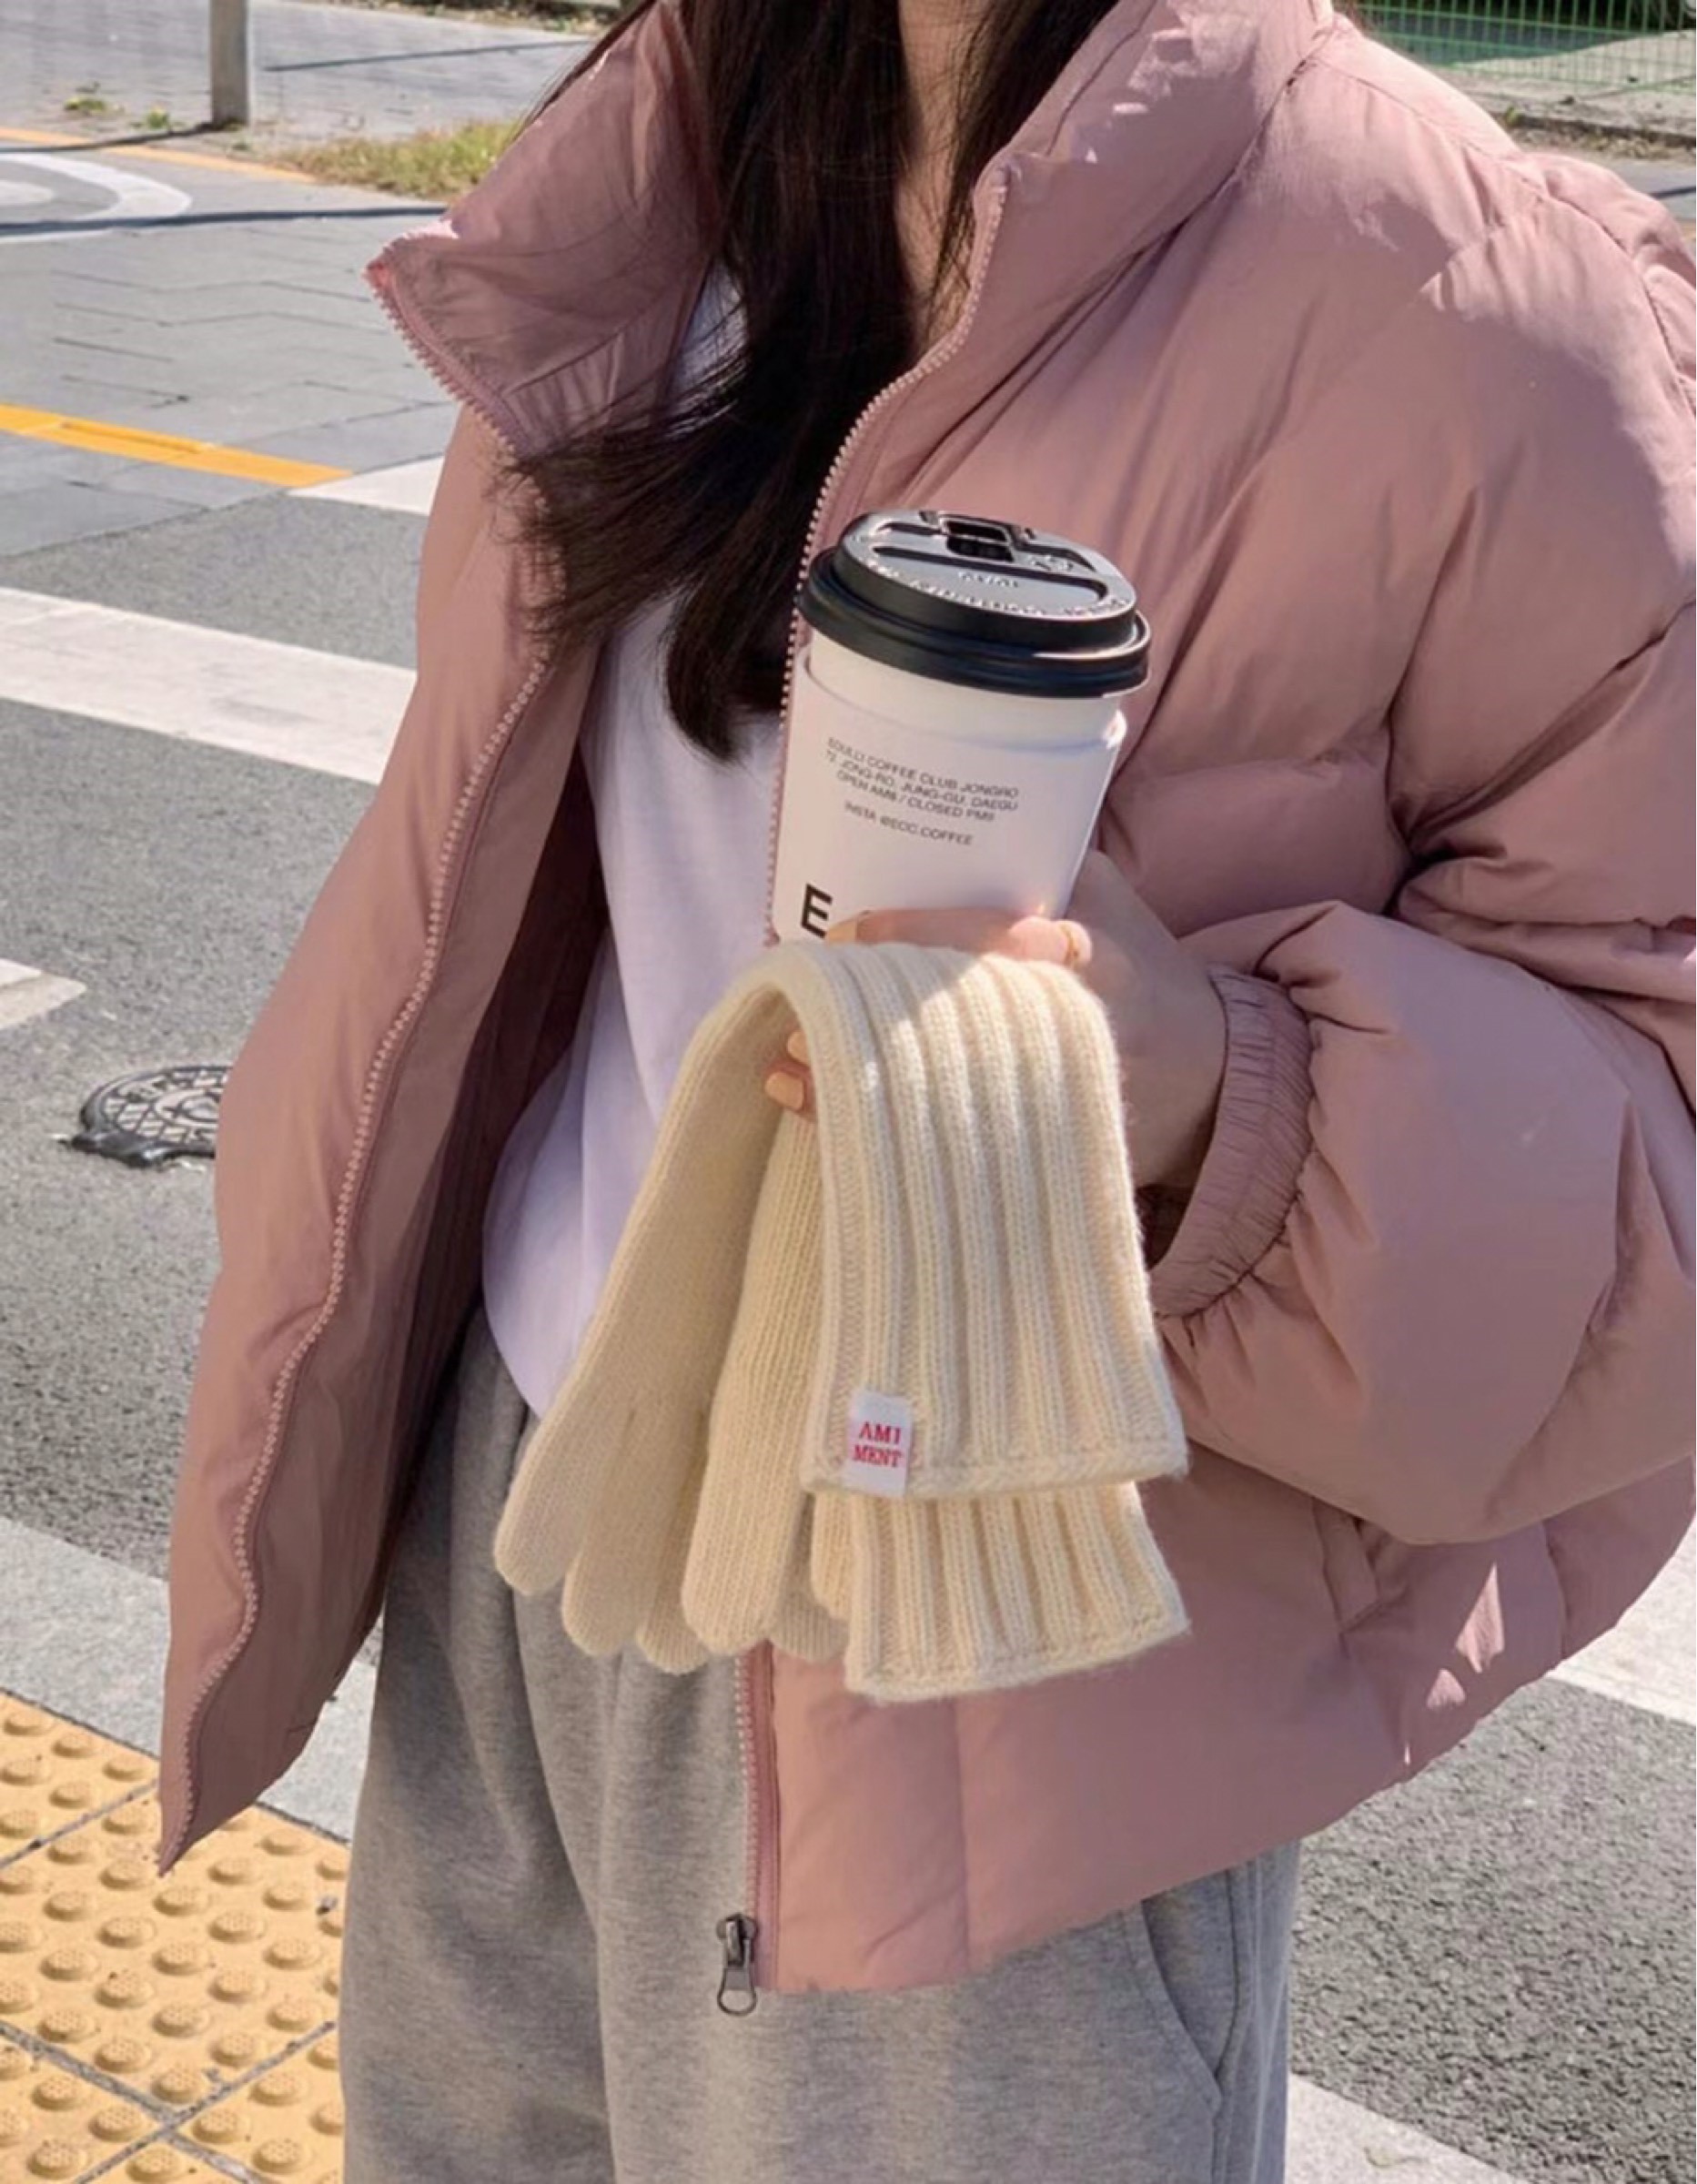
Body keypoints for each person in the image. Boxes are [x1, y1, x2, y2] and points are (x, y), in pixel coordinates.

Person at [157, 0, 1695, 2177]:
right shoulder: (679, 149)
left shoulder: (1476, 295)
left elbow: (1660, 1158)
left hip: (977, 1653)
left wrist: (1213, 1091)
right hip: (523, 1509)